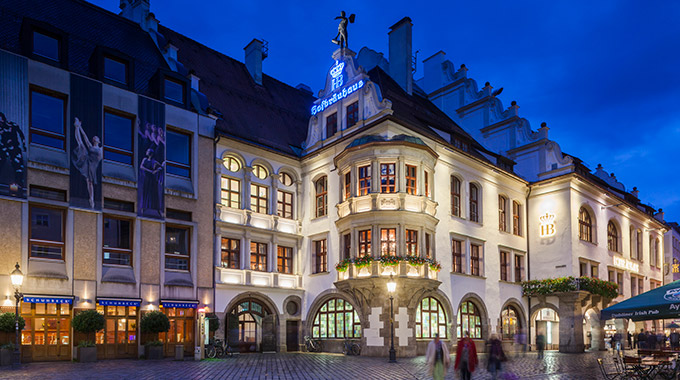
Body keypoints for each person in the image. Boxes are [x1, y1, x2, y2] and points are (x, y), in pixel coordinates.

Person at [72, 117, 102, 208]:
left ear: (98, 141)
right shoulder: (90, 146)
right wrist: (80, 127)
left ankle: (91, 198)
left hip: (94, 164)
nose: (94, 138)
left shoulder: (101, 149)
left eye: (96, 137)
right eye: (94, 138)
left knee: (90, 181)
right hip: (88, 161)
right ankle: (76, 126)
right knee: (81, 144)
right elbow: (84, 136)